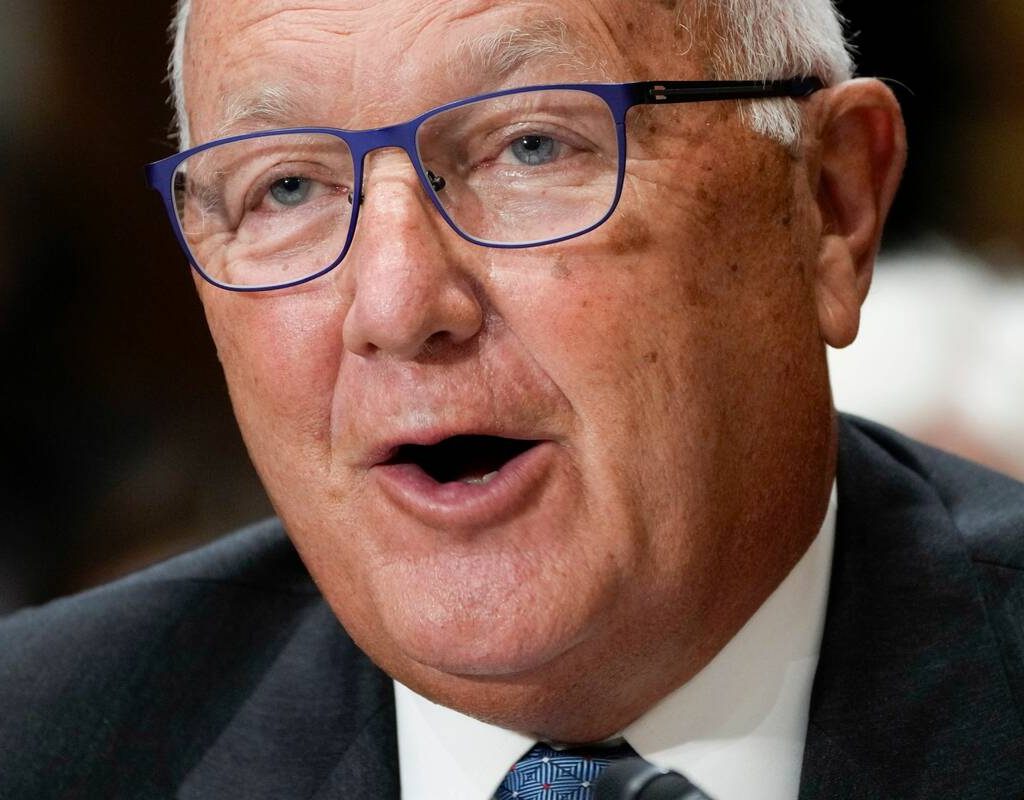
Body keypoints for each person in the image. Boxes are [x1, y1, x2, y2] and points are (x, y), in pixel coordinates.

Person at [1, 1, 1022, 798]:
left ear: (829, 203)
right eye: (287, 188)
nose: (399, 305)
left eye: (532, 146)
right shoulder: (40, 743)